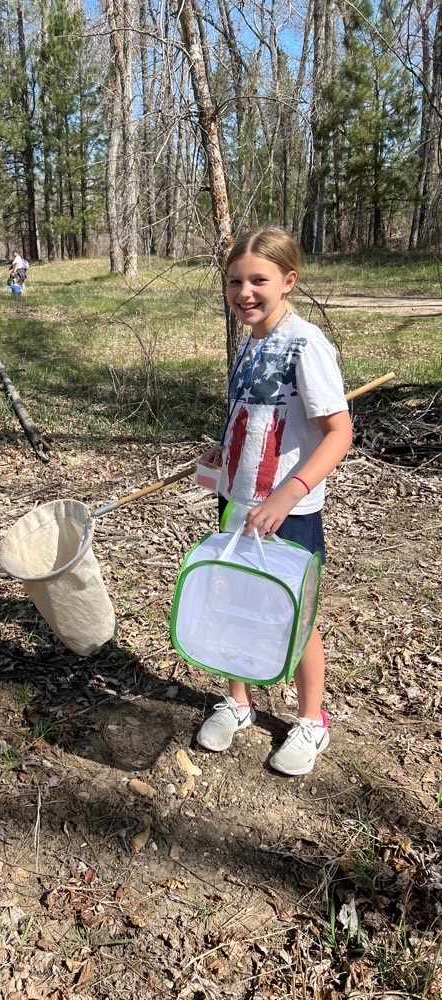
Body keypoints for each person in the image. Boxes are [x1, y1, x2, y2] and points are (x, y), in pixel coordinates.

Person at [195, 227, 352, 776]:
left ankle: (312, 719)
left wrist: (288, 494)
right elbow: (256, 419)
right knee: (234, 597)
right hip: (237, 502)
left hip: (290, 511)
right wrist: (223, 452)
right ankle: (239, 701)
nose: (245, 292)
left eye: (258, 280)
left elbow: (339, 432)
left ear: (288, 281)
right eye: (235, 281)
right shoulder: (248, 342)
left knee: (295, 611)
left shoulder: (307, 345)